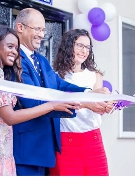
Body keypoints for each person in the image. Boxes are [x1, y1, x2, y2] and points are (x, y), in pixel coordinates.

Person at [0, 25, 80, 176]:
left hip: (2, 148)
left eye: (16, 48)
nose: (14, 52)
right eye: (10, 46)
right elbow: (10, 117)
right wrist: (51, 105)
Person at [12, 8, 111, 176]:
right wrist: (85, 102)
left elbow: (60, 85)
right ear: (20, 27)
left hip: (46, 149)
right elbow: (31, 101)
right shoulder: (14, 59)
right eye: (37, 29)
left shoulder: (41, 60)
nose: (42, 35)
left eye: (43, 30)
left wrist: (91, 93)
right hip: (28, 148)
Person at [49, 29, 111, 176]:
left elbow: (98, 107)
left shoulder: (95, 76)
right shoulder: (55, 77)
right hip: (66, 141)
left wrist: (108, 106)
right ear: (69, 46)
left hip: (93, 140)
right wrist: (86, 103)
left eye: (88, 47)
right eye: (80, 46)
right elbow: (56, 107)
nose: (84, 51)